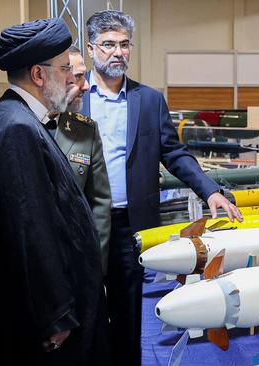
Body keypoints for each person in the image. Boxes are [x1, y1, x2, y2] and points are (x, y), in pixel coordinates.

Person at [82, 10, 242, 365]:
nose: (118, 52)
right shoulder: (75, 99)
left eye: (124, 44)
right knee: (86, 311)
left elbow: (174, 152)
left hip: (131, 227)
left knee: (127, 315)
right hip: (83, 224)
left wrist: (210, 190)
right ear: (91, 49)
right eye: (108, 44)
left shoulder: (150, 100)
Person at [0, 18, 108, 364]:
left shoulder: (13, 118)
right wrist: (56, 314)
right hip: (50, 326)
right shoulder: (17, 128)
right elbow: (30, 229)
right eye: (66, 68)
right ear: (38, 75)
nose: (74, 78)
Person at [52, 45, 112, 275]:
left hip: (73, 264)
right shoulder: (9, 122)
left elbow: (99, 207)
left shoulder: (85, 130)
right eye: (78, 77)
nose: (86, 86)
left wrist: (96, 272)